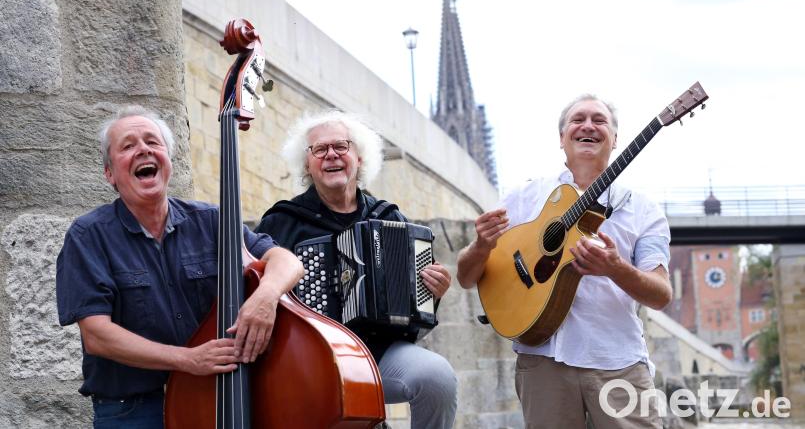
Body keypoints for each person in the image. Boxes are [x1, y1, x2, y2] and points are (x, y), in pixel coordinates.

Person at [56, 105, 303, 428]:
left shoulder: (213, 220)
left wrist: (265, 297)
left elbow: (287, 261)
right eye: (128, 146)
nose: (143, 149)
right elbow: (98, 336)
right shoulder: (88, 235)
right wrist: (187, 360)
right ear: (110, 174)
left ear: (168, 161)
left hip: (210, 397)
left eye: (153, 142)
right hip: (132, 410)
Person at [456, 95, 672, 429]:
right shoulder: (523, 197)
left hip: (618, 362)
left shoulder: (644, 211)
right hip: (543, 360)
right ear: (562, 138)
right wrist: (482, 245)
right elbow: (468, 277)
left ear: (615, 139)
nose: (588, 125)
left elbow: (660, 294)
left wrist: (616, 268)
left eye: (600, 120)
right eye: (578, 119)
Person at [255, 110, 457, 429]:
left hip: (380, 352)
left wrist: (432, 291)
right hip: (312, 359)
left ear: (359, 158)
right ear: (307, 165)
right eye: (320, 149)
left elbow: (417, 317)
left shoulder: (389, 217)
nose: (331, 154)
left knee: (437, 377)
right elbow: (254, 287)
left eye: (341, 146)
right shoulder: (282, 222)